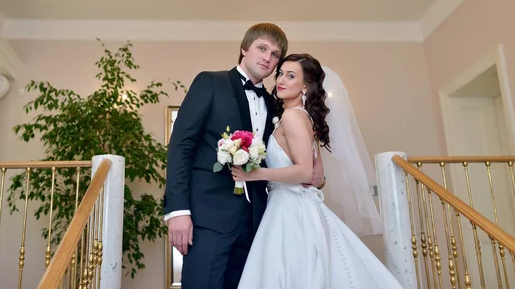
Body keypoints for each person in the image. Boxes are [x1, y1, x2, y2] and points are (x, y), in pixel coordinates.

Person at [163, 24, 326, 289]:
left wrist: (317, 175)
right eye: (262, 48)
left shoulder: (278, 105)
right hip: (209, 219)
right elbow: (181, 146)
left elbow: (292, 158)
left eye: (275, 54)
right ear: (244, 48)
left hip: (259, 223)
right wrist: (178, 211)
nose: (267, 58)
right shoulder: (210, 82)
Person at [232, 54, 403, 288]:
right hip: (298, 204)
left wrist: (255, 174)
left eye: (291, 76)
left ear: (305, 86)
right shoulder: (305, 118)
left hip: (289, 209)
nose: (281, 80)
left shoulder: (292, 117)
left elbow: (304, 173)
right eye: (280, 73)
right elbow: (317, 176)